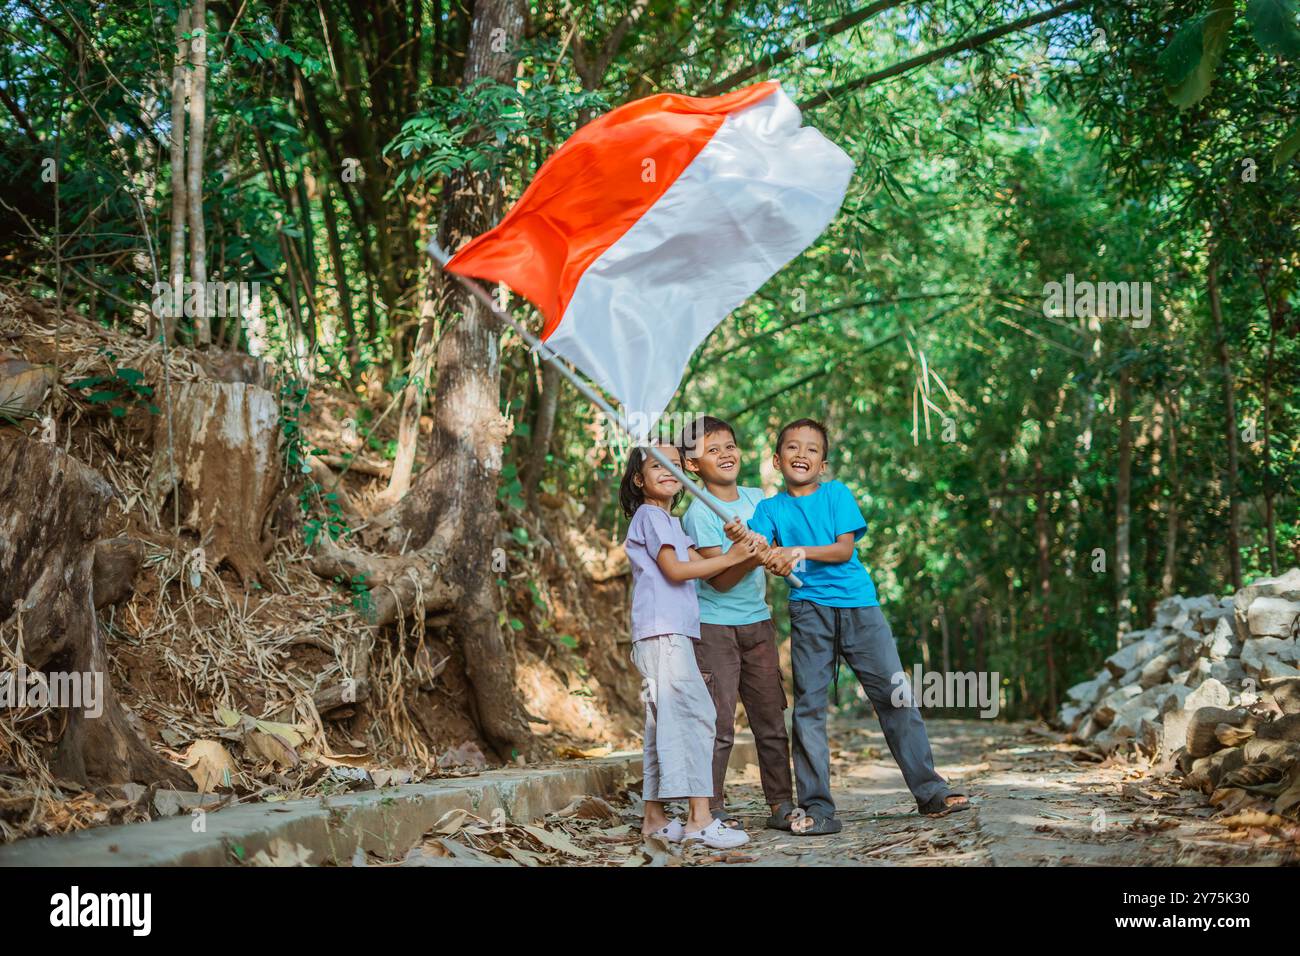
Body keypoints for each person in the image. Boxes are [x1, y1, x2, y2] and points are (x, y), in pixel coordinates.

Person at [728, 418, 969, 834]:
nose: (801, 454)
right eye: (792, 448)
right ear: (776, 459)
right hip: (809, 613)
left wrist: (793, 551)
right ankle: (818, 808)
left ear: (823, 465)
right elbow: (760, 550)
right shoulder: (768, 509)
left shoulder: (837, 494)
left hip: (860, 608)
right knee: (808, 710)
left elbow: (842, 550)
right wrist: (748, 541)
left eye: (812, 449)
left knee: (895, 697)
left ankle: (930, 792)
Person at [621, 439, 754, 849]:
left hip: (665, 634)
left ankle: (655, 818)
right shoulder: (650, 515)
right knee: (698, 717)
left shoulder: (671, 523)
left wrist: (736, 545)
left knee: (663, 724)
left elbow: (702, 562)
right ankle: (699, 818)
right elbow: (678, 571)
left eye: (676, 464)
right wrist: (733, 557)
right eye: (657, 464)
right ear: (639, 479)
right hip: (664, 634)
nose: (669, 469)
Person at [681, 416, 796, 831]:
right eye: (712, 450)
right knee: (718, 723)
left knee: (770, 719)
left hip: (758, 625)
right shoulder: (698, 513)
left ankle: (781, 805)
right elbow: (722, 579)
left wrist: (775, 553)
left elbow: (778, 553)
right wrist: (749, 548)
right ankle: (709, 808)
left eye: (729, 446)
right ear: (693, 466)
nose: (725, 455)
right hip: (714, 628)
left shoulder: (757, 500)